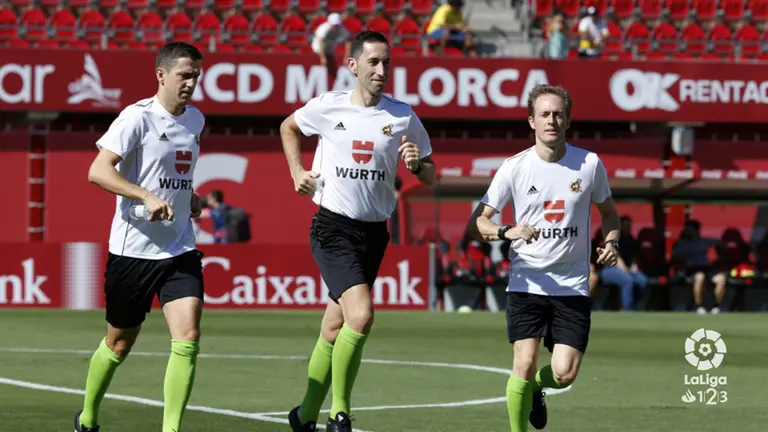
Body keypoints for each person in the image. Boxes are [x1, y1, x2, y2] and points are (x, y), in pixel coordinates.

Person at [280, 30, 437, 432]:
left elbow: (431, 174)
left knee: (335, 327)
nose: (381, 70)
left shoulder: (402, 116)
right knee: (362, 315)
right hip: (332, 227)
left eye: (387, 62)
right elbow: (288, 127)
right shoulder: (328, 106)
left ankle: (304, 415)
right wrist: (297, 171)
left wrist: (417, 164)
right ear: (352, 65)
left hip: (374, 234)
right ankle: (340, 413)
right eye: (373, 62)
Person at [466, 84, 620, 432]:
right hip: (527, 282)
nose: (552, 120)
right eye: (544, 114)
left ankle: (537, 389)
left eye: (558, 114)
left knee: (564, 374)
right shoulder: (514, 167)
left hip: (572, 286)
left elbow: (610, 215)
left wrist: (612, 242)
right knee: (523, 363)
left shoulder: (589, 164)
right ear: (531, 121)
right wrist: (507, 231)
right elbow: (476, 223)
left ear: (568, 121)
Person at [74, 42, 206, 432]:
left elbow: (174, 173)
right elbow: (98, 171)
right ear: (161, 75)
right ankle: (88, 417)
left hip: (179, 247)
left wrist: (189, 196)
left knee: (188, 337)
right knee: (118, 344)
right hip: (133, 251)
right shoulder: (137, 118)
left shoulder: (196, 120)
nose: (191, 83)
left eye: (196, 76)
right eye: (184, 75)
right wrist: (146, 196)